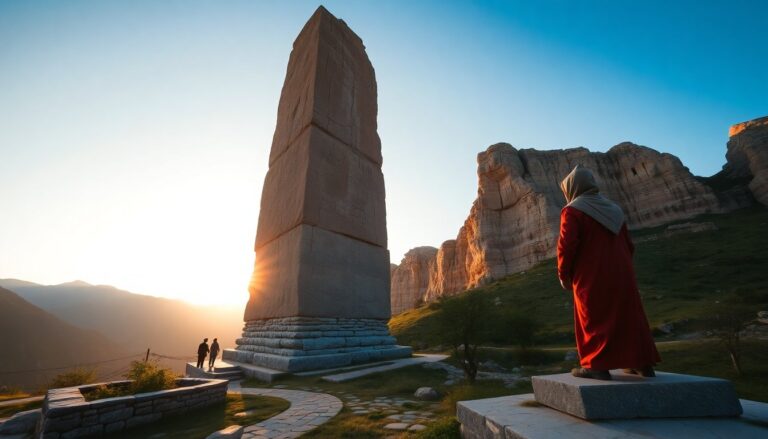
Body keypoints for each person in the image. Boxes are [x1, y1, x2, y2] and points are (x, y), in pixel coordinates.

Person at [557, 165, 660, 381]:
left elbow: (567, 246)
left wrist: (564, 275)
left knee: (594, 317)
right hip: (623, 271)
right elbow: (629, 245)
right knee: (627, 315)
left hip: (591, 273)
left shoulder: (572, 210)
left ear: (572, 188)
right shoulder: (614, 209)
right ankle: (641, 363)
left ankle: (596, 365)